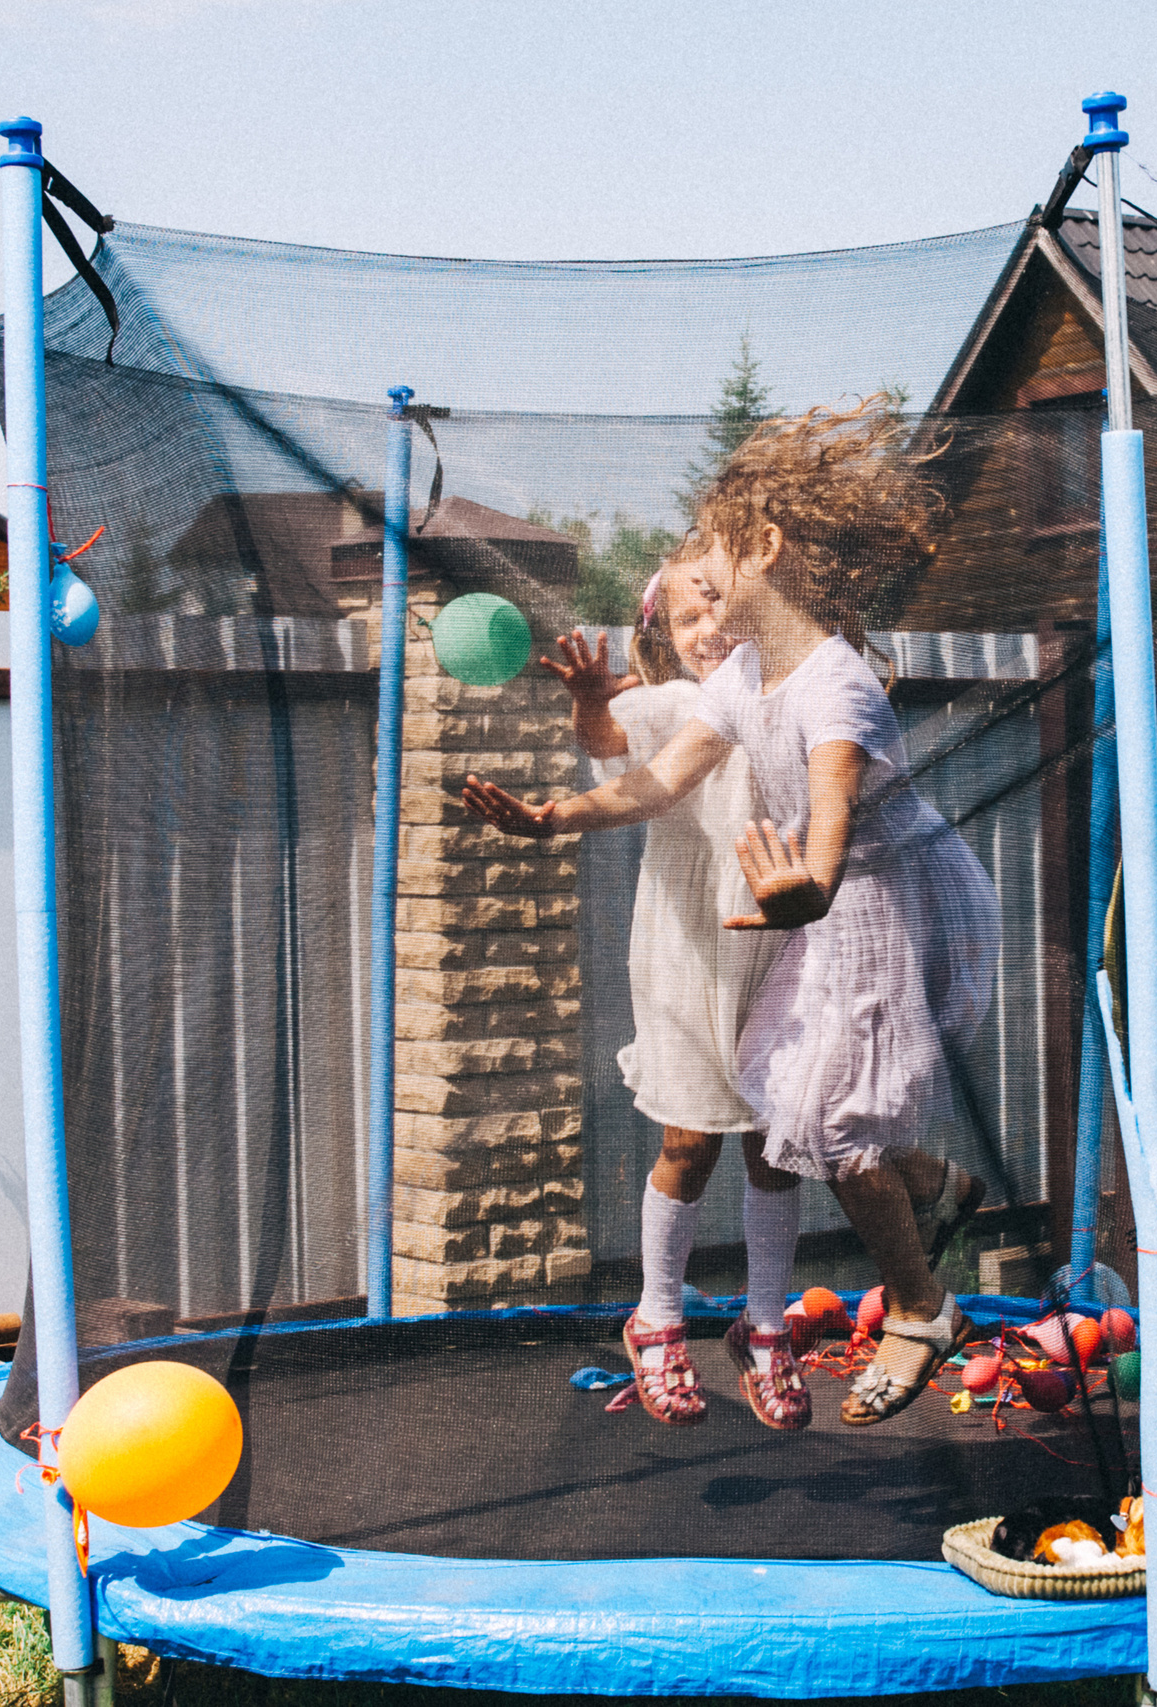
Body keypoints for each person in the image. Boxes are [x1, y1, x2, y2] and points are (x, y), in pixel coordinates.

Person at [466, 399, 999, 1425]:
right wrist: (553, 819)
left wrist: (803, 890)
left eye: (710, 562)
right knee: (784, 1101)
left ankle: (920, 1311)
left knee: (830, 1125)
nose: (697, 588)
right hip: (807, 912)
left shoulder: (836, 689)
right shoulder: (748, 675)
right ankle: (926, 1199)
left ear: (763, 549)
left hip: (876, 907)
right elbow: (655, 783)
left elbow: (833, 840)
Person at [546, 568, 803, 1429]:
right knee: (690, 1139)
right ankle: (657, 1314)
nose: (708, 630)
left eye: (720, 610)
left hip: (774, 932)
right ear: (665, 635)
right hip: (687, 943)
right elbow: (611, 746)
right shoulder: (673, 705)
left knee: (777, 1142)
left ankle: (765, 1323)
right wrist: (589, 699)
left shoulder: (792, 697)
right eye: (688, 617)